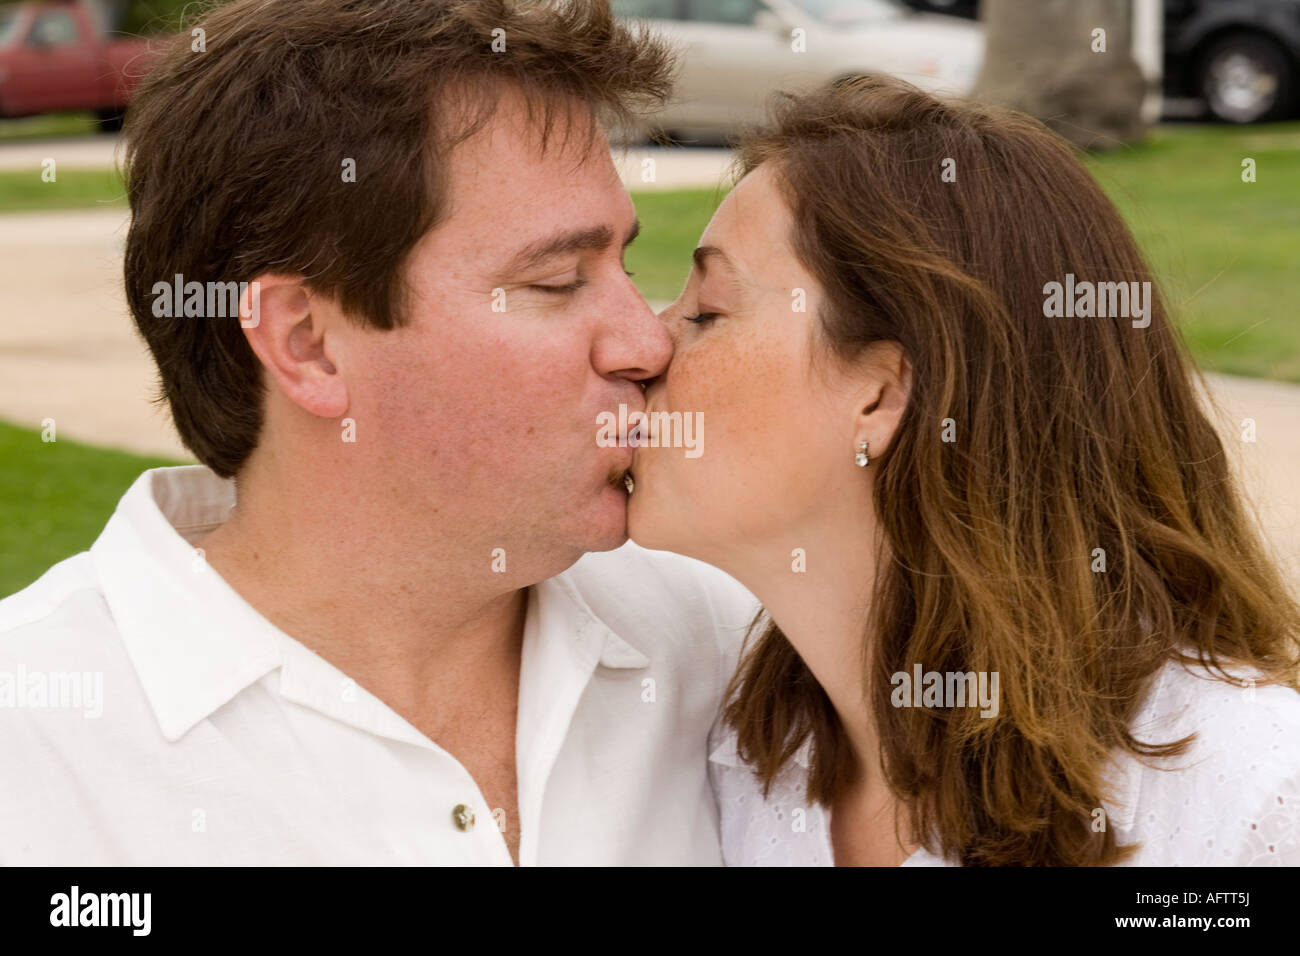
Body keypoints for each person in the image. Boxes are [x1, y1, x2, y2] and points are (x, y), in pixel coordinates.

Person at [0, 0, 757, 865]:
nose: (647, 340)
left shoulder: (729, 642)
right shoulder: (31, 749)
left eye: (623, 263)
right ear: (307, 344)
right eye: (555, 281)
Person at [629, 74, 1300, 866]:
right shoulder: (727, 753)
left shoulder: (1248, 794)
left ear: (879, 396)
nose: (646, 342)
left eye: (706, 312)